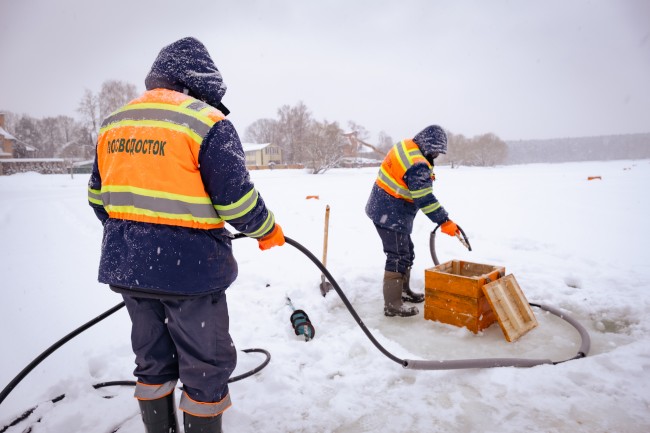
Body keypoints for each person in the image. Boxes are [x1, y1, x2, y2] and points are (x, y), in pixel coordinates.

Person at [88, 37, 285, 433]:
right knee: (204, 368)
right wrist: (266, 229)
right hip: (191, 274)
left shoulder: (115, 123)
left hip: (130, 268)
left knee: (151, 360)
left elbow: (98, 198)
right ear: (200, 86)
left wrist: (139, 237)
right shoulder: (206, 122)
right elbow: (236, 202)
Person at [365, 125, 460, 317]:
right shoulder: (417, 164)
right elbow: (424, 197)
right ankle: (392, 305)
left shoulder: (408, 146)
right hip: (389, 212)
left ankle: (403, 292)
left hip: (387, 208)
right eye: (434, 150)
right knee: (398, 255)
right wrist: (444, 221)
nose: (435, 155)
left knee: (407, 252)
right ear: (426, 145)